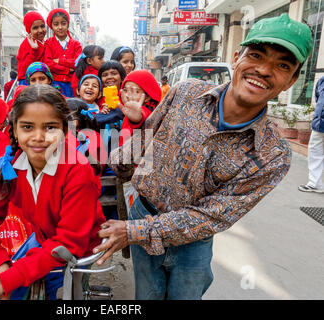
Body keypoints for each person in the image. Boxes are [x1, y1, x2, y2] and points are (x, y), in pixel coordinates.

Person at [93, 13, 312, 300]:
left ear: (292, 80)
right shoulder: (184, 93)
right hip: (142, 211)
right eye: (256, 55)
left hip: (192, 245)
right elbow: (146, 136)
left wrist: (134, 231)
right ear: (236, 58)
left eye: (282, 65)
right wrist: (111, 161)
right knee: (145, 295)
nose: (263, 70)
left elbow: (211, 216)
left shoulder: (273, 154)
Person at [0, 84, 105, 300]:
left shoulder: (78, 170)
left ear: (65, 130)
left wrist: (5, 281)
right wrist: (0, 268)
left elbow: (67, 244)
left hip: (76, 252)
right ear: (14, 129)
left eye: (50, 127)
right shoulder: (8, 166)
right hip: (43, 238)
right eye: (27, 127)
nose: (39, 137)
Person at [43, 8, 82, 97]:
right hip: (54, 85)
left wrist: (59, 61)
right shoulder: (48, 43)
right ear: (51, 26)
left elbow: (78, 63)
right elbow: (48, 64)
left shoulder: (76, 44)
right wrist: (68, 70)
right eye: (56, 24)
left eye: (63, 23)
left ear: (68, 24)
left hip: (73, 85)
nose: (60, 27)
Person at [118, 69, 161, 146]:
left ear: (147, 97)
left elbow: (142, 115)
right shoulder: (127, 110)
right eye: (125, 90)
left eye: (136, 91)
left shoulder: (146, 111)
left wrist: (137, 119)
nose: (128, 95)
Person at [298, 75, 324, 193]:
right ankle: (315, 184)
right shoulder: (322, 80)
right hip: (319, 123)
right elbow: (318, 99)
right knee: (315, 152)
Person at [17, 11, 46, 85]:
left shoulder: (43, 43)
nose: (40, 30)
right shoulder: (26, 45)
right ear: (29, 30)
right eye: (35, 28)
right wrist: (34, 50)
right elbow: (26, 68)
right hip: (27, 82)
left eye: (42, 26)